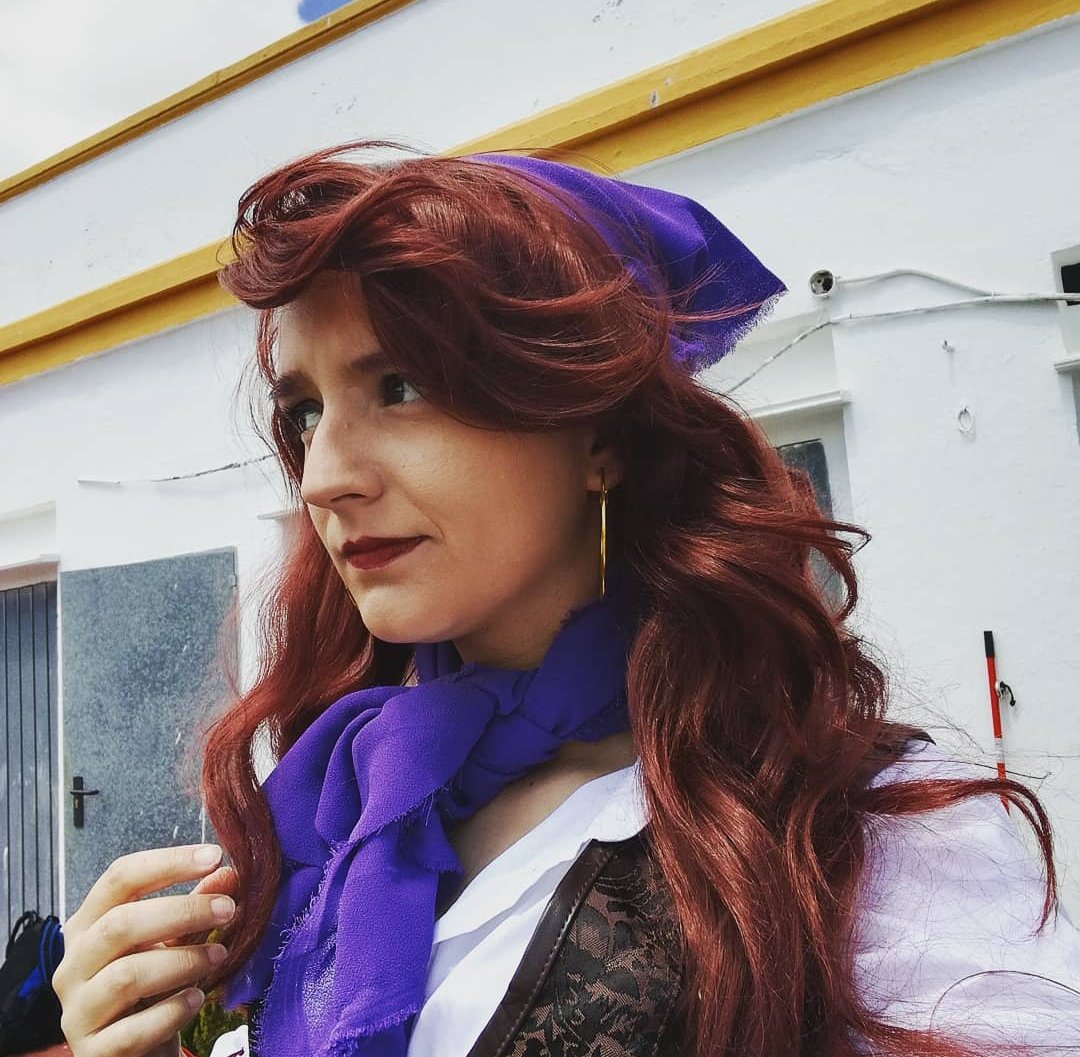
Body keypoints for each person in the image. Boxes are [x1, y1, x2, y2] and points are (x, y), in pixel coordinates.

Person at [52, 142, 1080, 1057]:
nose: (324, 477)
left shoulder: (853, 830)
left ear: (599, 438)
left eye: (402, 386)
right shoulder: (344, 800)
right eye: (306, 412)